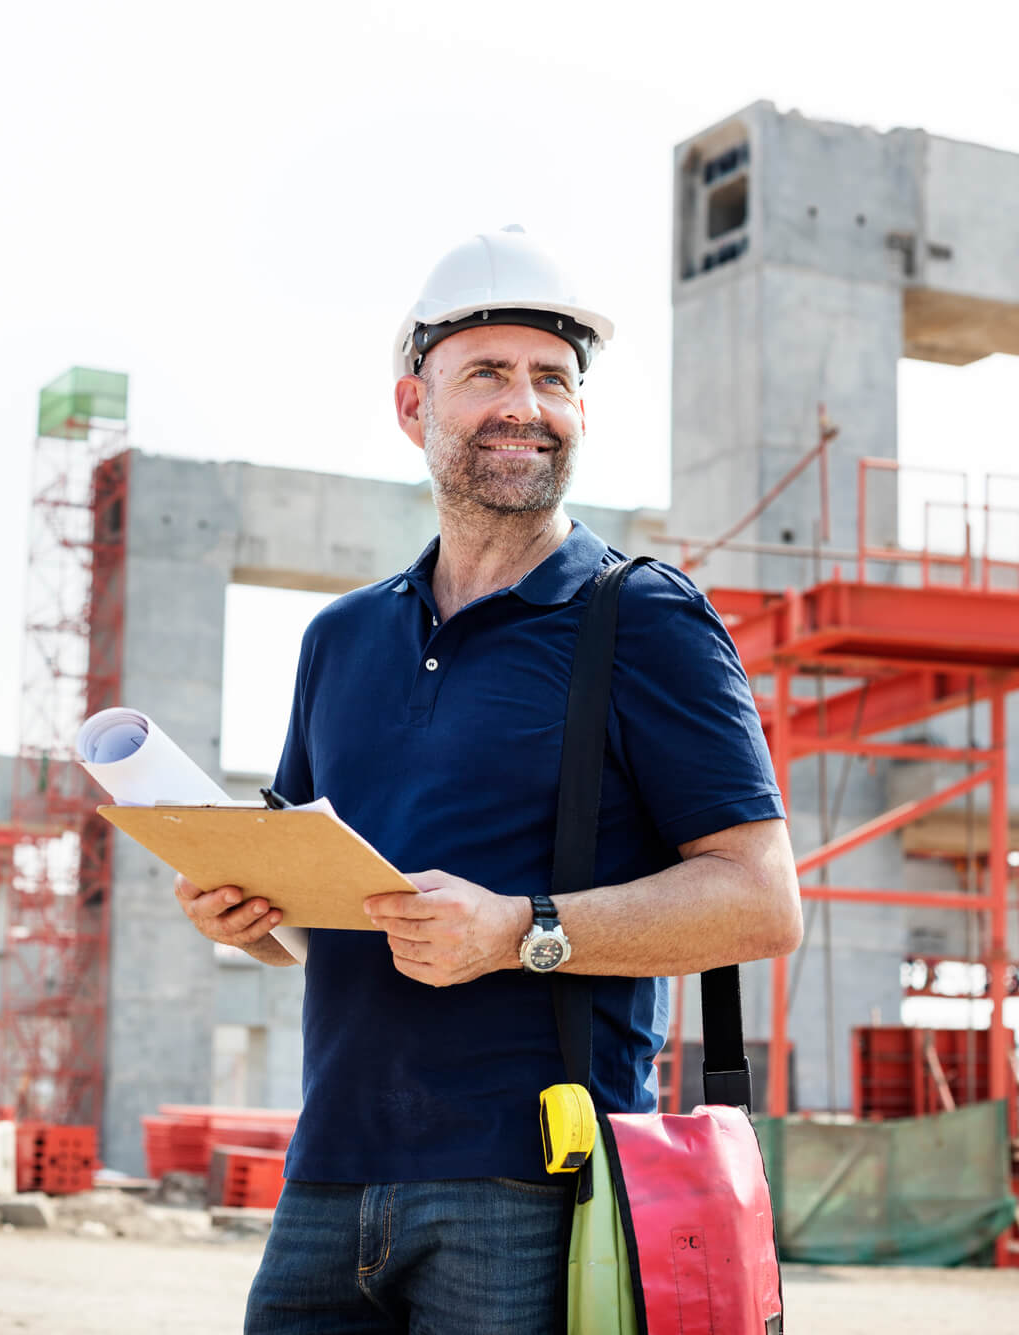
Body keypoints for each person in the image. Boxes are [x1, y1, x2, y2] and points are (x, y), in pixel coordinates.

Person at [174, 226, 803, 1335]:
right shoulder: (340, 640)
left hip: (533, 1185)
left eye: (550, 378)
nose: (524, 405)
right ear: (414, 408)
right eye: (485, 375)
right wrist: (249, 919)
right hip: (328, 1174)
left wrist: (521, 929)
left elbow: (759, 900)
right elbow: (328, 920)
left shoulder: (642, 618)